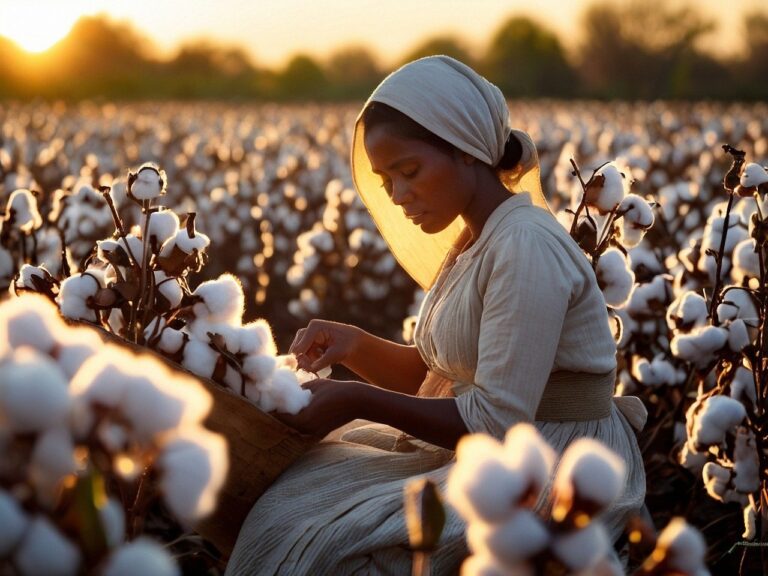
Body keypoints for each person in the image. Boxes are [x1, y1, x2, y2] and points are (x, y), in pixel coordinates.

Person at [225, 55, 646, 575]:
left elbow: (496, 422)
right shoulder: (480, 236)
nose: (400, 196)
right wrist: (355, 346)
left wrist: (354, 398)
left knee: (327, 542)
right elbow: (440, 380)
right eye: (387, 182)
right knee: (289, 501)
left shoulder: (524, 247)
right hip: (495, 453)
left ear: (467, 151)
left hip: (549, 468)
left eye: (409, 172)